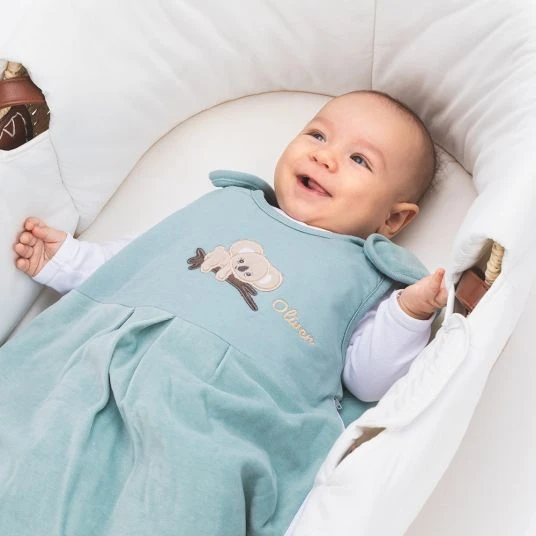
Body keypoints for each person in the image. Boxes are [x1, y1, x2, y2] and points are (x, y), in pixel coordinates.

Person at [3, 90, 447, 536]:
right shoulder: (229, 203)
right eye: (317, 135)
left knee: (185, 491)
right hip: (118, 351)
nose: (324, 157)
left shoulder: (365, 274)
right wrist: (71, 262)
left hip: (225, 406)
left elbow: (366, 378)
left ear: (393, 220)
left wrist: (409, 314)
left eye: (358, 160)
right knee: (41, 428)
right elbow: (144, 259)